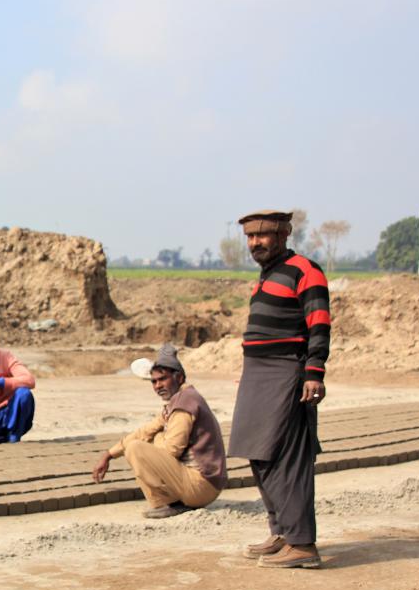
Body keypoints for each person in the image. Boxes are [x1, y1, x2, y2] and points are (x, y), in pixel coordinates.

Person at [227, 210, 330, 569]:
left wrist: (314, 373)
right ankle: (283, 532)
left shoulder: (306, 270)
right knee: (259, 452)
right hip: (259, 373)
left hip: (288, 371)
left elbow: (319, 323)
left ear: (284, 233)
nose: (255, 243)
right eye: (250, 237)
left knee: (288, 457)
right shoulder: (268, 274)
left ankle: (303, 544)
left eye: (263, 235)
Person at [92, 345, 227, 518]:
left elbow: (172, 450)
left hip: (202, 486)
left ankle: (171, 502)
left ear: (178, 377)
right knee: (146, 438)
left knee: (136, 448)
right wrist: (108, 454)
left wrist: (157, 440)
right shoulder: (180, 399)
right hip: (202, 484)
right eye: (154, 381)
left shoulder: (183, 405)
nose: (157, 386)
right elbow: (144, 431)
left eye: (162, 379)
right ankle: (169, 501)